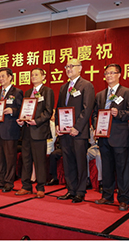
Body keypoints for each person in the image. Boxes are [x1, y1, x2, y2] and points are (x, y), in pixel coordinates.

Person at [92, 64, 129, 211]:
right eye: (106, 73)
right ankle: (107, 195)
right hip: (104, 137)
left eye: (112, 73)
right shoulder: (99, 95)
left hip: (120, 137)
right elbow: (95, 114)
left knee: (122, 169)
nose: (109, 76)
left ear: (119, 75)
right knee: (107, 168)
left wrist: (120, 114)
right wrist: (95, 127)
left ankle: (124, 199)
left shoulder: (127, 92)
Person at [55, 59, 94, 203]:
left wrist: (77, 127)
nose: (69, 69)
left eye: (72, 66)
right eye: (66, 66)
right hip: (65, 133)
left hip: (78, 132)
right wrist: (58, 125)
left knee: (80, 162)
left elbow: (87, 108)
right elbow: (59, 108)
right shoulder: (63, 87)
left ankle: (80, 192)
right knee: (68, 162)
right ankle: (70, 190)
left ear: (80, 68)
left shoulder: (86, 85)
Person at [16, 68, 54, 199]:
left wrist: (36, 121)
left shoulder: (47, 91)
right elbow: (24, 110)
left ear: (44, 77)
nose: (33, 77)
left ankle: (40, 187)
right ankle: (26, 186)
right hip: (26, 132)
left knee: (39, 161)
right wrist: (21, 120)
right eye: (32, 75)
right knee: (26, 160)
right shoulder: (27, 92)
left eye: (36, 74)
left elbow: (48, 112)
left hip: (39, 131)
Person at [0, 68, 23, 193]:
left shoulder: (17, 92)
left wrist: (12, 111)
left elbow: (22, 109)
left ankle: (9, 182)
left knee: (9, 157)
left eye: (3, 76)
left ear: (10, 77)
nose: (1, 79)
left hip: (10, 130)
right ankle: (1, 180)